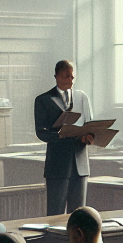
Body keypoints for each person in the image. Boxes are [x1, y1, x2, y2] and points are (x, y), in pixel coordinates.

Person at [35, 59, 94, 215]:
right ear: (56, 76)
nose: (70, 80)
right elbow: (41, 132)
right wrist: (61, 135)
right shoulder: (43, 100)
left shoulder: (82, 97)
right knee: (55, 214)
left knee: (79, 215)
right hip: (57, 166)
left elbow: (90, 125)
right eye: (65, 77)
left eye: (72, 77)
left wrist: (89, 136)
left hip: (80, 166)